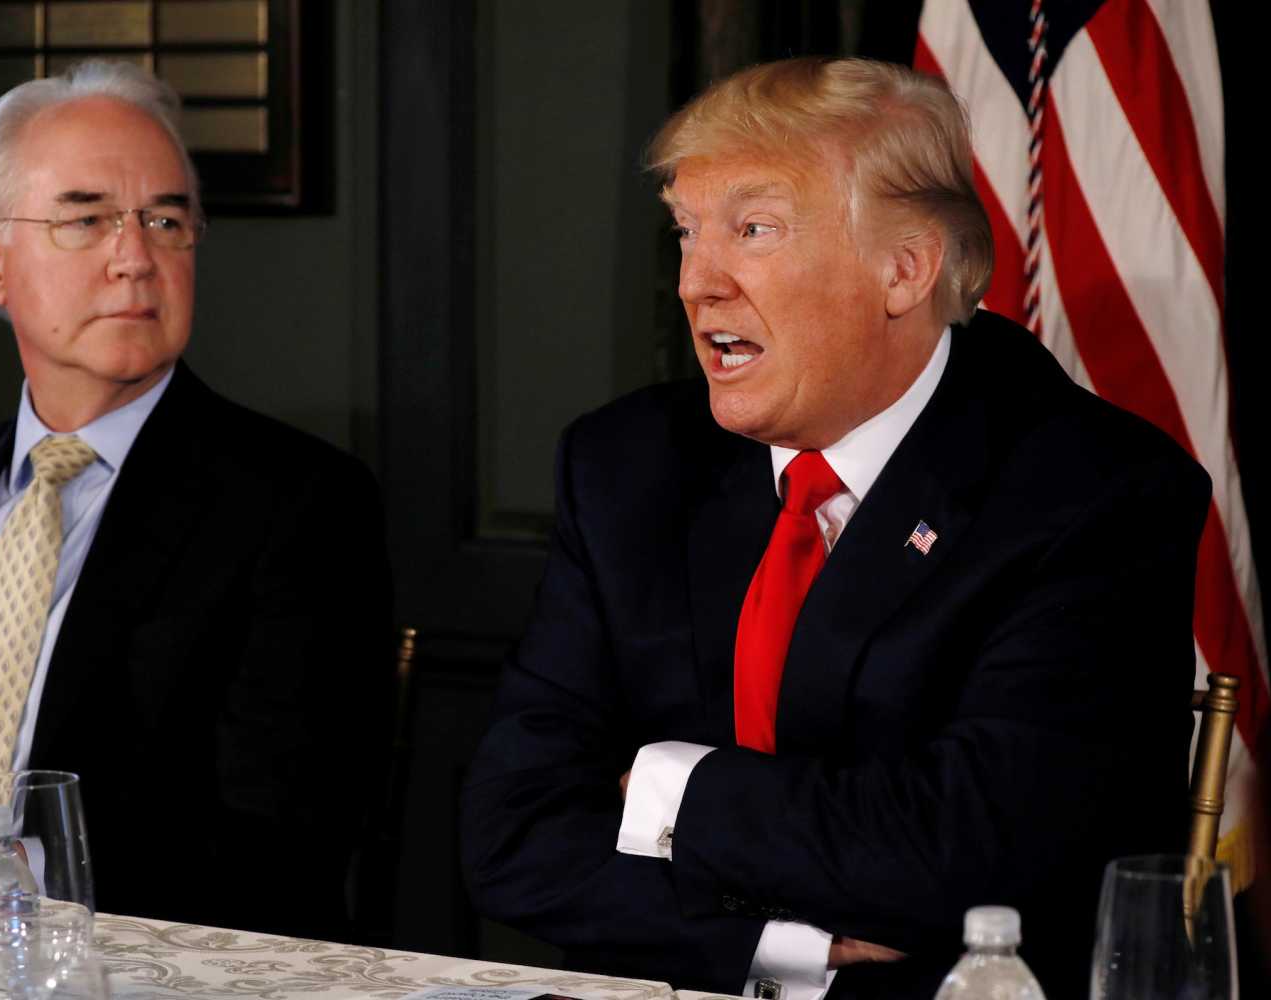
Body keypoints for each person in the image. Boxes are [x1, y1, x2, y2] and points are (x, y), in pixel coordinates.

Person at [460, 57, 1208, 1000]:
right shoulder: (625, 465)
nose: (697, 284)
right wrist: (787, 938)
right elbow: (510, 834)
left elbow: (972, 856)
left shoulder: (1097, 493)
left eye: (754, 230)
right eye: (687, 230)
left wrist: (664, 789)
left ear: (904, 269)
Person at [0, 61, 391, 941]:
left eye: (166, 220)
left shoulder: (300, 507)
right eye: (86, 219)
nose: (135, 259)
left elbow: (280, 851)